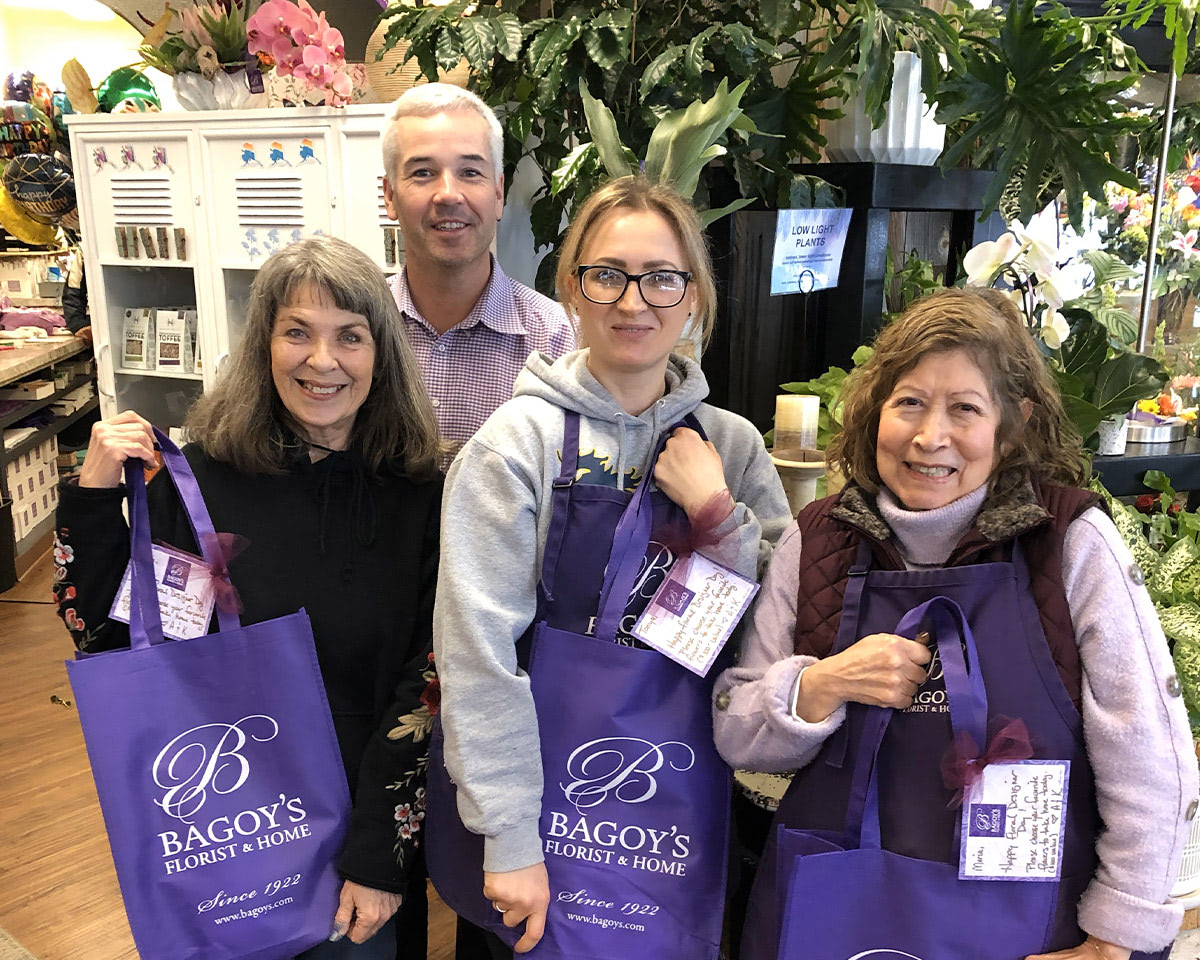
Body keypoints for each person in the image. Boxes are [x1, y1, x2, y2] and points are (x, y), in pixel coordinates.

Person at [713, 287, 1199, 960]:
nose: (929, 437)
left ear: (1013, 425)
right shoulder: (818, 541)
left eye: (964, 409)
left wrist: (1115, 938)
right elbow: (741, 732)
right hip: (838, 914)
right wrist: (819, 685)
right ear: (873, 410)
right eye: (908, 401)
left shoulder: (1070, 545)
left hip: (1031, 928)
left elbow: (1149, 755)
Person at [429, 175, 792, 958]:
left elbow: (772, 631)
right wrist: (510, 837)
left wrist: (716, 518)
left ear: (693, 295)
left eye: (663, 278)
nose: (635, 303)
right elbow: (476, 657)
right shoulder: (514, 446)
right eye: (608, 275)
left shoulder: (734, 447)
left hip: (675, 807)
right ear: (572, 290)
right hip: (543, 811)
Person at [52, 236, 443, 960]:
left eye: (349, 337)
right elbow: (113, 643)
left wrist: (377, 856)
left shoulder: (420, 492)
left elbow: (427, 685)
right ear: (263, 343)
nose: (321, 361)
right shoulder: (202, 483)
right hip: (229, 829)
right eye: (297, 331)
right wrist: (94, 497)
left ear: (380, 354)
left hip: (362, 832)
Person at [380, 83, 576, 463]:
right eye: (423, 173)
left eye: (470, 172)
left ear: (499, 193)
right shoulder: (356, 329)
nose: (448, 194)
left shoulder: (560, 343)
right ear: (389, 195)